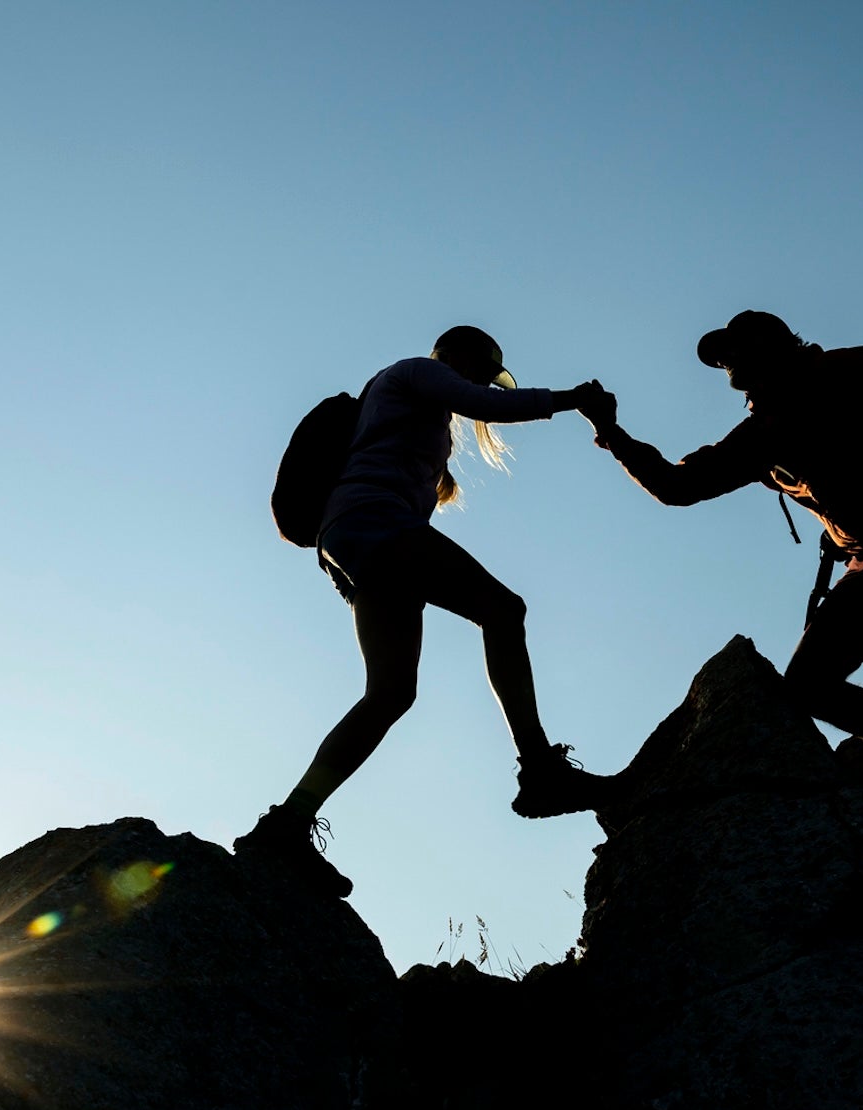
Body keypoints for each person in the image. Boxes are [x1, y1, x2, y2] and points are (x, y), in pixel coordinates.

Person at [238, 325, 616, 894]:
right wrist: (572, 400)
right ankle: (540, 772)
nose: (486, 380)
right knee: (503, 610)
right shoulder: (415, 370)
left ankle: (285, 825)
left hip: (351, 540)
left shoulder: (414, 419)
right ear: (459, 355)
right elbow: (486, 404)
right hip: (375, 524)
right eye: (485, 367)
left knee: (390, 694)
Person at [587, 311, 863, 777]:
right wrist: (611, 433)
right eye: (723, 360)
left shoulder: (854, 376)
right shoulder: (765, 433)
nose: (727, 366)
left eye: (733, 351)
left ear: (769, 346)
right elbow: (678, 486)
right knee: (808, 686)